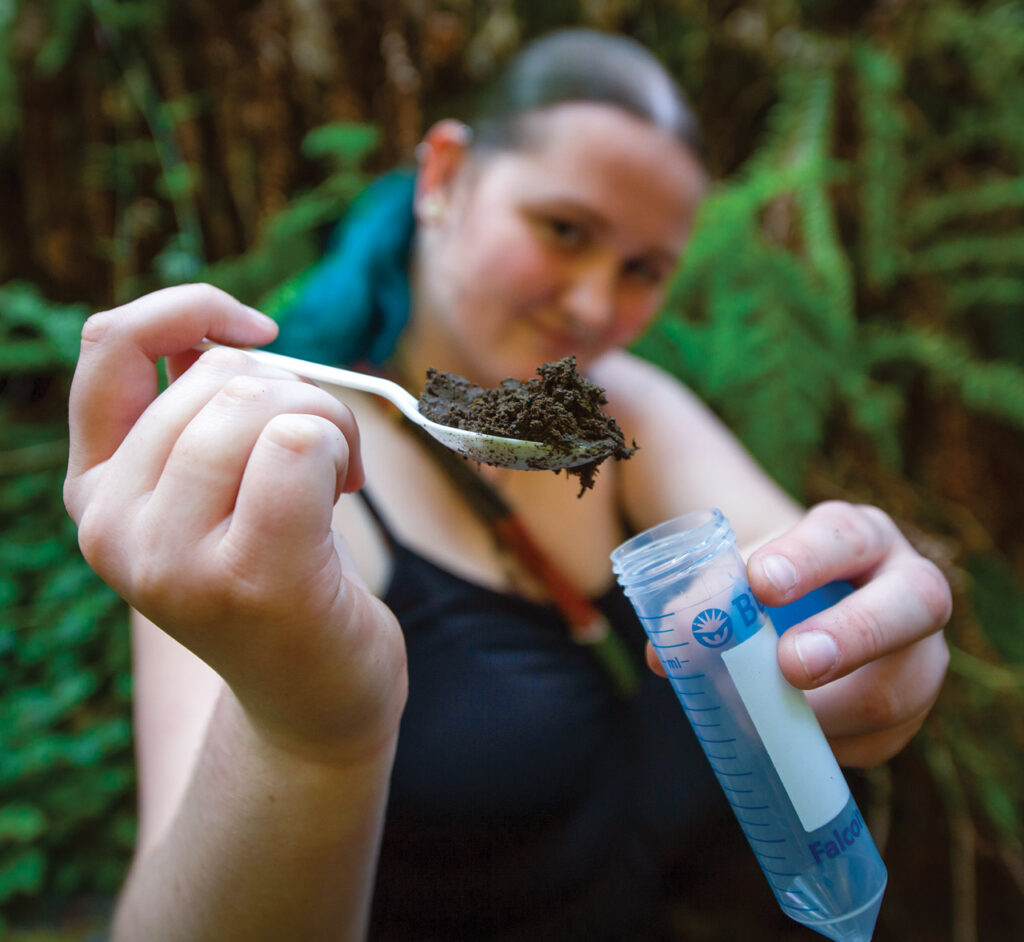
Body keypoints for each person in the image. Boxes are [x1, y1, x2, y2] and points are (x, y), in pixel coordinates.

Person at [63, 28, 951, 942]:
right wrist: (307, 733)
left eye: (643, 270)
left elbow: (794, 574)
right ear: (444, 175)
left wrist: (862, 622)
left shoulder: (628, 413)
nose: (595, 308)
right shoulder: (277, 486)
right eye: (565, 231)